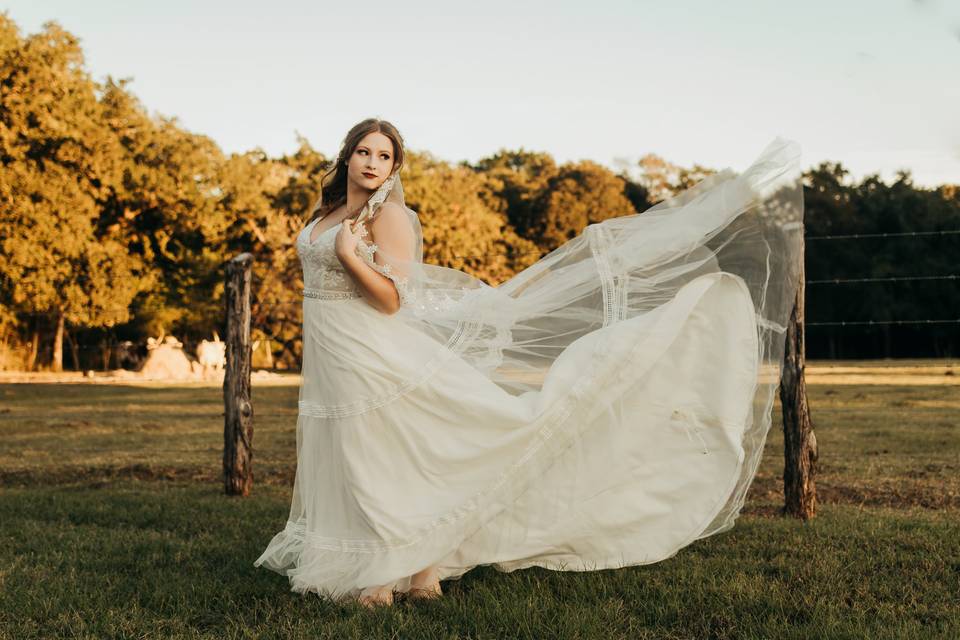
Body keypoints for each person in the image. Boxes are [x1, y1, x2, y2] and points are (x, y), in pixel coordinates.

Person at [254, 117, 805, 608]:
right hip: (331, 351)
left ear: (395, 168)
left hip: (370, 348)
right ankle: (419, 569)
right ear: (346, 156)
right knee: (352, 454)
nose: (373, 164)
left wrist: (351, 256)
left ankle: (391, 570)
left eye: (384, 156)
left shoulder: (388, 216)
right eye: (364, 152)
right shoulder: (328, 212)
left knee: (377, 453)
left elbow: (393, 299)